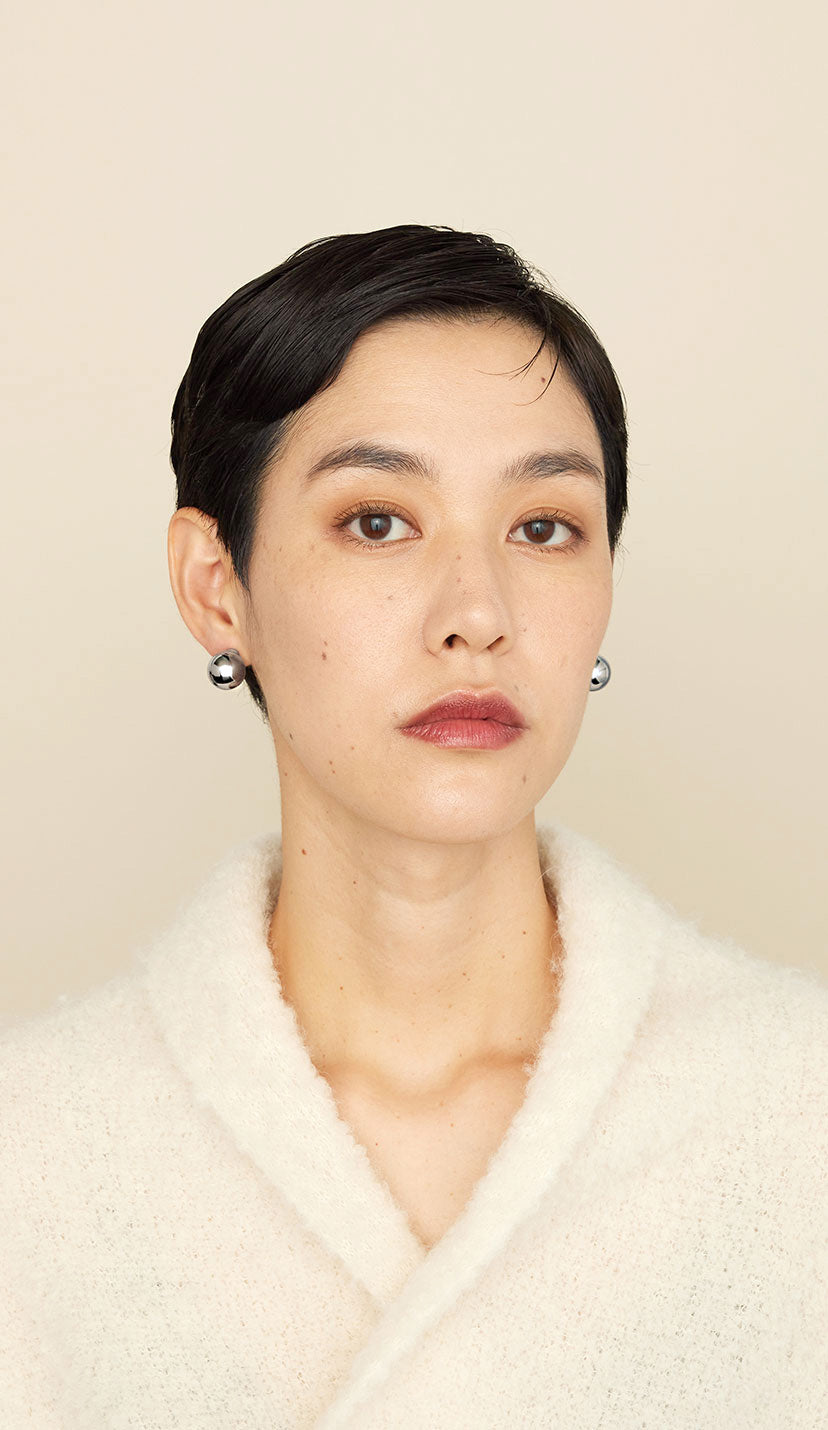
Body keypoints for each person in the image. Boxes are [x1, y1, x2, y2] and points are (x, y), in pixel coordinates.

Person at [1, 224, 826, 1429]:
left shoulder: (798, 1113)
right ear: (216, 585)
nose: (478, 613)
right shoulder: (35, 1157)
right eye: (378, 520)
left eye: (543, 527)